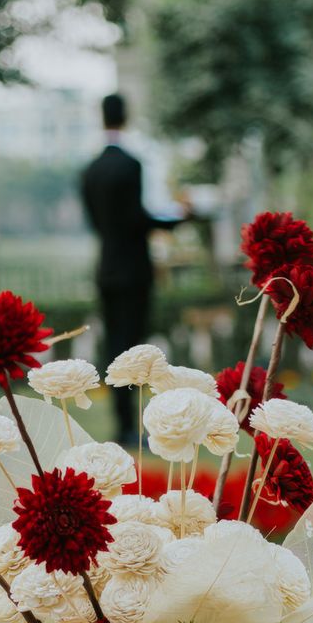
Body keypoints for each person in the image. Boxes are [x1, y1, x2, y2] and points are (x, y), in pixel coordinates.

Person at [80, 94, 185, 444]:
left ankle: (121, 423)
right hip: (134, 268)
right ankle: (133, 425)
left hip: (106, 267)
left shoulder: (90, 170)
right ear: (126, 117)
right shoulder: (130, 165)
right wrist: (174, 220)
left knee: (113, 344)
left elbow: (99, 223)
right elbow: (136, 219)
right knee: (136, 346)